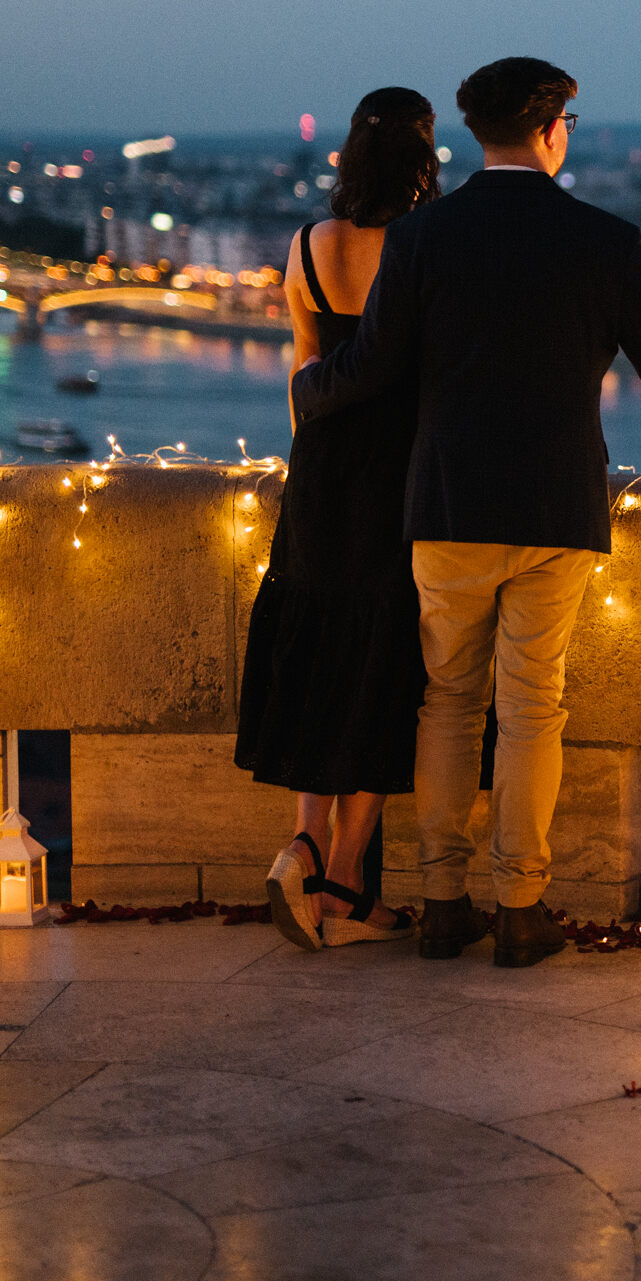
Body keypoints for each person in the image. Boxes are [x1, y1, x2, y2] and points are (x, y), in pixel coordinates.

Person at [293, 56, 641, 968]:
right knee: (531, 709)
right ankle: (521, 904)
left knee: (446, 703)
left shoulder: (425, 237)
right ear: (554, 130)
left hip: (444, 504)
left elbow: (371, 369)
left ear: (478, 135)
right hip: (555, 507)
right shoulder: (605, 240)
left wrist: (308, 393)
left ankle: (443, 899)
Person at [237, 87, 442, 951]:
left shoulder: (309, 246)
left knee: (319, 657)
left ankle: (302, 843)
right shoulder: (426, 246)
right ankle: (346, 883)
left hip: (320, 475)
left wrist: (310, 475)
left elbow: (303, 372)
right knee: (381, 672)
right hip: (397, 478)